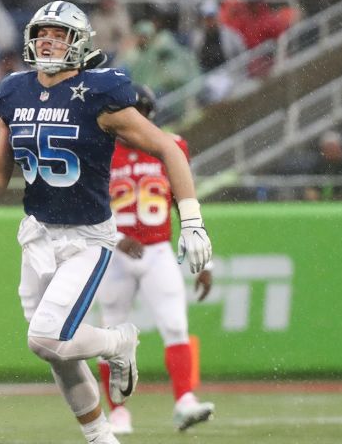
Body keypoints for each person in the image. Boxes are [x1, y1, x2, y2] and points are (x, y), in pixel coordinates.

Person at [0, 2, 213, 444]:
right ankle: (101, 436)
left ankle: (119, 341)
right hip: (37, 234)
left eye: (59, 34)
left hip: (86, 237)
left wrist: (194, 223)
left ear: (80, 43)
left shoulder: (101, 92)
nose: (47, 41)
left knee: (46, 337)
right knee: (59, 353)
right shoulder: (14, 91)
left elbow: (170, 149)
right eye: (41, 32)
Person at [95, 86, 215, 434]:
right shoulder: (101, 152)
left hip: (158, 248)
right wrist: (117, 237)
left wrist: (205, 261)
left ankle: (184, 401)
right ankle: (117, 411)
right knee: (111, 334)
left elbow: (184, 198)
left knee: (175, 325)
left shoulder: (170, 146)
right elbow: (88, 206)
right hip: (114, 254)